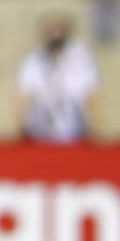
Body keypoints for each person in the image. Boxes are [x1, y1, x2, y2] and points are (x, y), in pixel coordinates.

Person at [16, 12, 99, 145]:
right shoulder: (33, 61)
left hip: (73, 133)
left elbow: (89, 98)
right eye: (51, 31)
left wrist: (95, 131)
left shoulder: (81, 60)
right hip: (39, 134)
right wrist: (19, 131)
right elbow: (25, 97)